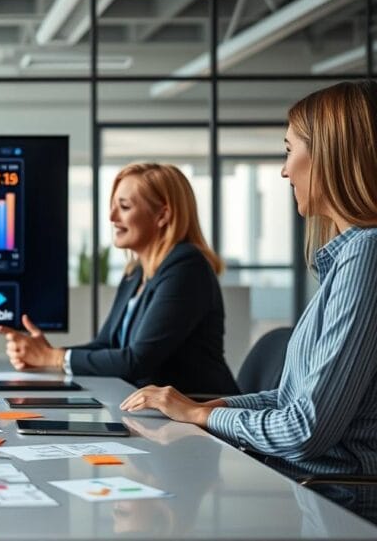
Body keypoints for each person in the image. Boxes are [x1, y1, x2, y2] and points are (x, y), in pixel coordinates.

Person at [120, 81, 377, 521]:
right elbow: (292, 399)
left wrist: (201, 414)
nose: (284, 171)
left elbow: (303, 430)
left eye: (288, 150)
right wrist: (209, 408)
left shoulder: (366, 255)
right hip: (301, 488)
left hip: (331, 504)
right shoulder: (347, 258)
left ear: (330, 157)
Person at [0, 163, 239, 395]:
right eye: (113, 206)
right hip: (153, 413)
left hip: (200, 414)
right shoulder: (135, 272)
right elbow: (107, 345)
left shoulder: (187, 267)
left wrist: (53, 358)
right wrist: (46, 353)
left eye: (124, 207)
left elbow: (137, 361)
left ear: (162, 215)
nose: (112, 217)